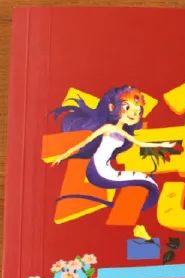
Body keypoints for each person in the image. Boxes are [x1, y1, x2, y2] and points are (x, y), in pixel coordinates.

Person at [45, 85, 175, 211]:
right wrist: (62, 156)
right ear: (112, 107)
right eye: (127, 107)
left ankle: (140, 203)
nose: (133, 114)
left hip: (106, 169)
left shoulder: (123, 133)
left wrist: (163, 145)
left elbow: (141, 143)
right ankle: (136, 202)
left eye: (138, 111)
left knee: (147, 181)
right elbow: (83, 144)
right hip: (98, 171)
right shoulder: (107, 128)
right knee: (145, 180)